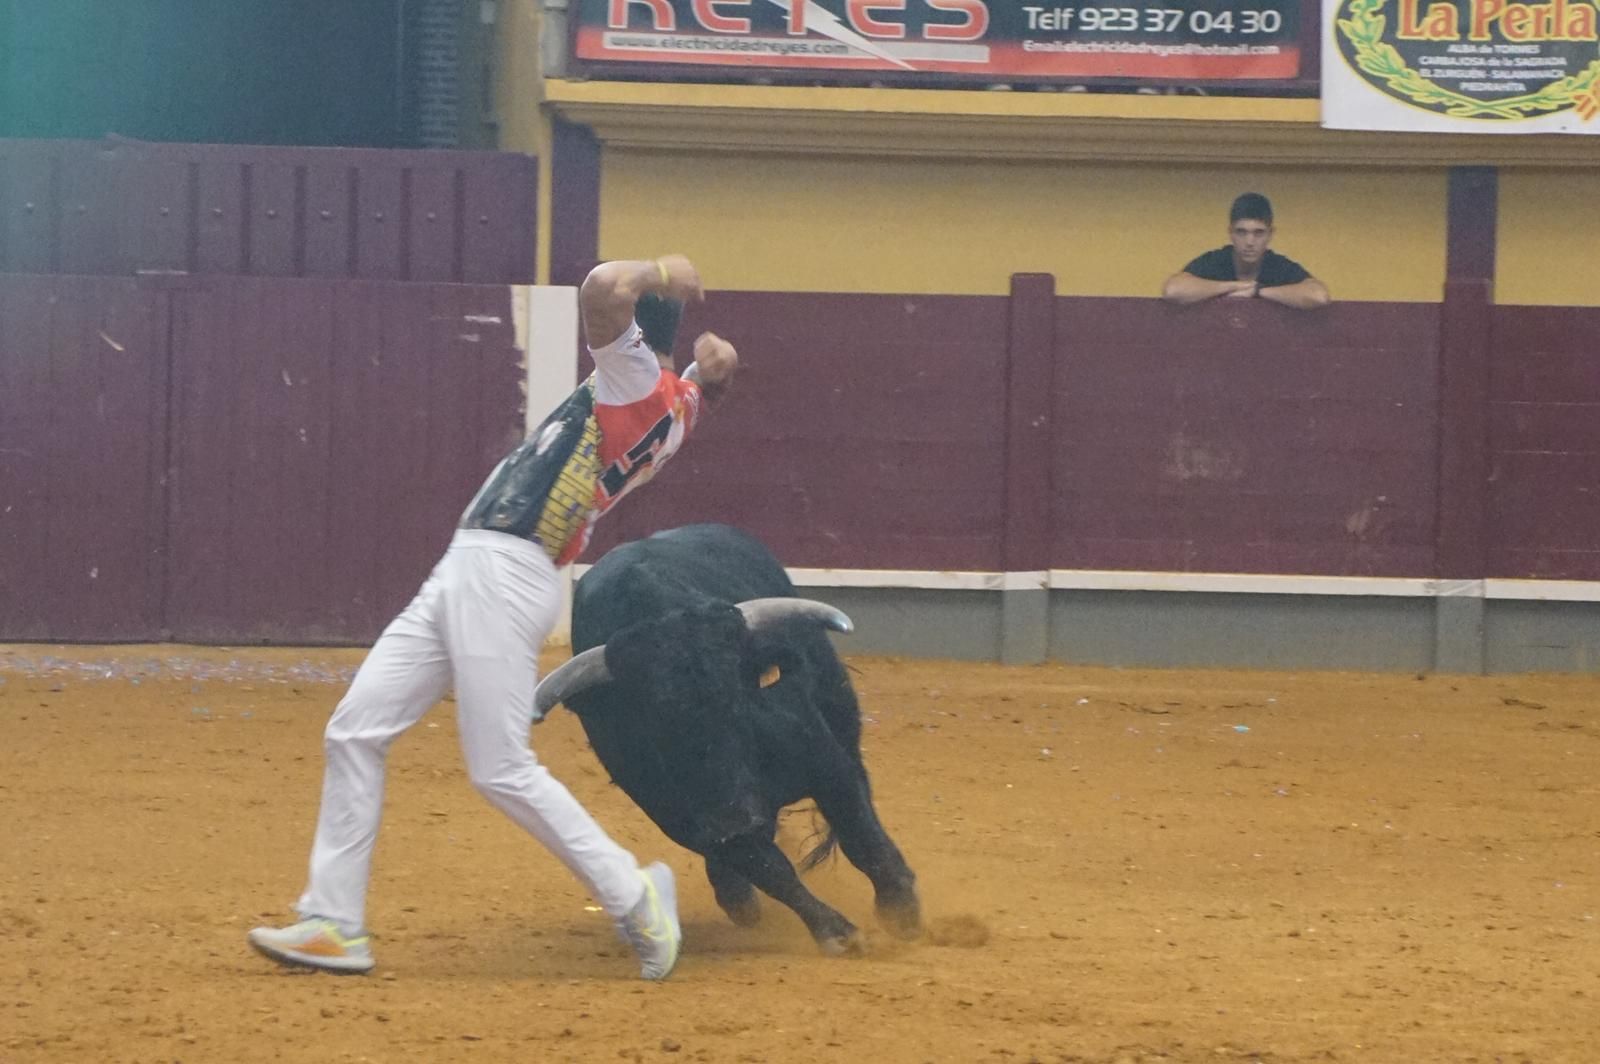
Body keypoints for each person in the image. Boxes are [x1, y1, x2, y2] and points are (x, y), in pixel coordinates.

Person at [247, 254, 739, 979]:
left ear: (638, 337)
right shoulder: (673, 405)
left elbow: (604, 287)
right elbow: (707, 383)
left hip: (503, 569)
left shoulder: (632, 377)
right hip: (478, 566)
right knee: (355, 729)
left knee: (501, 767)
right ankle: (334, 921)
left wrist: (664, 269)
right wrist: (716, 365)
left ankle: (635, 896)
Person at [1162, 192, 1331, 310]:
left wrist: (1258, 291)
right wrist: (1232, 287)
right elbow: (1174, 290)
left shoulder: (1278, 265)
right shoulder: (1216, 261)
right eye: (1241, 232)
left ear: (1270, 234)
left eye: (1259, 233)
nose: (1249, 242)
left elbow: (1318, 296)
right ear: (1231, 233)